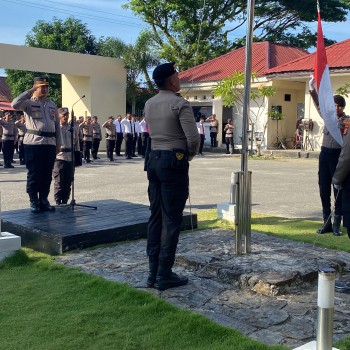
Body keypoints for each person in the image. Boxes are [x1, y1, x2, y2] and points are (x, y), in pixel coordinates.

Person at [144, 62, 200, 291]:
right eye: (177, 76)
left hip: (153, 159)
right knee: (171, 218)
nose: (179, 78)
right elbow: (193, 139)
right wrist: (188, 156)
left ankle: (152, 272)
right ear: (171, 81)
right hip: (173, 161)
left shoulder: (149, 103)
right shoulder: (179, 103)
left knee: (155, 216)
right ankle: (164, 273)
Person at [11, 76, 61, 213]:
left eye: (46, 86)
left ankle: (43, 200)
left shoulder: (52, 104)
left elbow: (57, 125)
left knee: (46, 174)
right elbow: (14, 104)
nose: (45, 89)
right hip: (33, 143)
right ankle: (34, 201)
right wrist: (30, 91)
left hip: (49, 144)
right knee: (34, 174)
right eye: (42, 86)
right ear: (35, 87)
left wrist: (59, 144)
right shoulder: (27, 102)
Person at [309, 76, 349, 235]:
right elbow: (319, 105)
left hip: (338, 156)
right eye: (334, 105)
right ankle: (327, 223)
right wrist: (312, 89)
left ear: (342, 107)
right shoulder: (328, 117)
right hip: (324, 155)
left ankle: (337, 226)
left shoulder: (347, 121)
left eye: (339, 105)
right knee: (323, 189)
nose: (336, 108)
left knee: (337, 190)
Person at [53, 108, 79, 205]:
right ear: (58, 116)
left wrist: (77, 157)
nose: (66, 116)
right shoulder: (55, 127)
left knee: (68, 182)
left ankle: (65, 201)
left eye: (67, 115)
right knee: (59, 182)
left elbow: (76, 143)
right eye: (63, 114)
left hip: (70, 157)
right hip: (59, 158)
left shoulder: (72, 129)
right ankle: (58, 202)